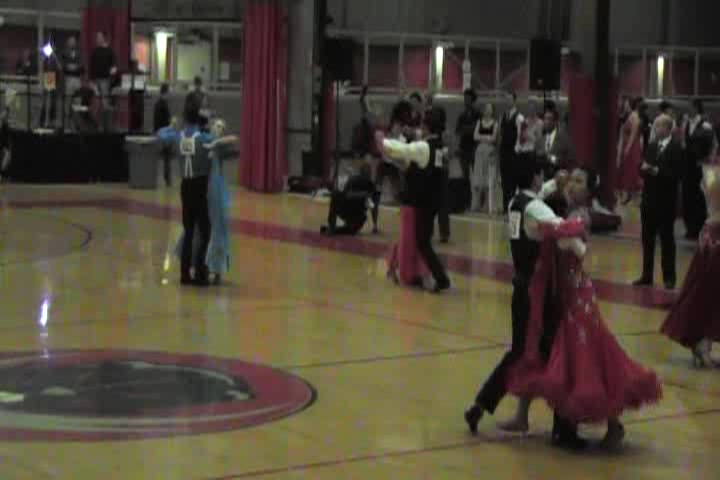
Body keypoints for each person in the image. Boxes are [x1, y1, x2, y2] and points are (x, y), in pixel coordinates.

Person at [503, 167, 663, 450]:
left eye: (579, 181)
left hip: (578, 297)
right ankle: (522, 415)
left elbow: (574, 244)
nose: (571, 184)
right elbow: (541, 202)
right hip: (561, 294)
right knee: (541, 349)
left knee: (589, 358)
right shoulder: (559, 209)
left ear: (588, 191)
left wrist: (549, 228)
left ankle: (613, 423)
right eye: (572, 179)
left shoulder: (580, 216)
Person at [464, 159, 589, 450]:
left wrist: (554, 184)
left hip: (520, 288)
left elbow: (539, 199)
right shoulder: (536, 208)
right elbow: (561, 227)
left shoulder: (515, 202)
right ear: (535, 176)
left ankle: (483, 403)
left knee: (520, 352)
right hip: (539, 294)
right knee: (557, 352)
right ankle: (564, 429)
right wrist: (582, 237)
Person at [380, 106, 452, 293]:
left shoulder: (424, 147)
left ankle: (440, 278)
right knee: (418, 238)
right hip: (435, 200)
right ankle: (415, 272)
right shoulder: (440, 145)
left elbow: (403, 149)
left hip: (422, 201)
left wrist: (382, 141)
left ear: (427, 126)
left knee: (421, 241)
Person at [661, 164, 720, 367]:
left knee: (705, 292)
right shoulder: (714, 174)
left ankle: (702, 342)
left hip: (710, 235)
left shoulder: (710, 171)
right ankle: (703, 342)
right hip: (715, 238)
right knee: (709, 294)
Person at [157, 105, 215, 286]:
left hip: (185, 186)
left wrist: (171, 126)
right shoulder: (204, 138)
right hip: (200, 186)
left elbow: (160, 134)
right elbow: (219, 141)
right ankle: (199, 271)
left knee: (189, 230)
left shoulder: (177, 137)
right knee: (205, 231)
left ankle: (184, 273)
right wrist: (209, 126)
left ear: (185, 119)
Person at [632, 114, 683, 290]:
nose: (656, 128)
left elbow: (676, 175)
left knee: (667, 240)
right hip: (648, 201)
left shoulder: (676, 148)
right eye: (655, 125)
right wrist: (643, 169)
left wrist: (655, 170)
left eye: (659, 125)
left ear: (668, 128)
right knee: (647, 240)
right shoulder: (652, 146)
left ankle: (669, 277)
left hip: (666, 202)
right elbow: (643, 168)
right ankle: (646, 275)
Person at [683, 99, 715, 240]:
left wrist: (706, 160)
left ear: (696, 108)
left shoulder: (706, 125)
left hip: (699, 167)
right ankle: (690, 228)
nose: (687, 109)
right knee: (687, 197)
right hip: (687, 166)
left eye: (690, 107)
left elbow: (712, 145)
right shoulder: (686, 123)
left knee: (699, 198)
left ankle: (699, 228)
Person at [321, 163, 380, 236]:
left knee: (350, 230)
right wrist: (363, 194)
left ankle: (334, 228)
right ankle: (332, 227)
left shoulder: (371, 186)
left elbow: (374, 206)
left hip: (356, 216)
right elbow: (346, 195)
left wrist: (375, 225)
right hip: (349, 211)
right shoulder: (354, 181)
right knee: (336, 195)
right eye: (366, 174)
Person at [471, 103, 498, 213]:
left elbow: (494, 138)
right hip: (479, 151)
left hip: (490, 151)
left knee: (488, 177)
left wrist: (483, 137)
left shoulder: (495, 123)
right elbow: (475, 136)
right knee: (478, 177)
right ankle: (476, 204)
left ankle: (488, 205)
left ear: (492, 111)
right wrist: (486, 137)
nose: (488, 110)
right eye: (486, 108)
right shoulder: (479, 122)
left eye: (490, 108)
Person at [617, 97, 644, 205]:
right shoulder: (630, 116)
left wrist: (627, 149)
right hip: (628, 145)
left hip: (632, 147)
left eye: (626, 103)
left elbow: (633, 134)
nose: (625, 105)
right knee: (628, 171)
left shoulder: (634, 116)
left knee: (631, 172)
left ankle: (632, 197)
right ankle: (629, 196)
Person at [154, 84, 173, 186]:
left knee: (165, 157)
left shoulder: (158, 104)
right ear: (165, 92)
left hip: (160, 132)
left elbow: (156, 121)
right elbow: (164, 121)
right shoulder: (163, 104)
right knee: (167, 157)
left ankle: (165, 178)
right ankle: (167, 179)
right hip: (164, 134)